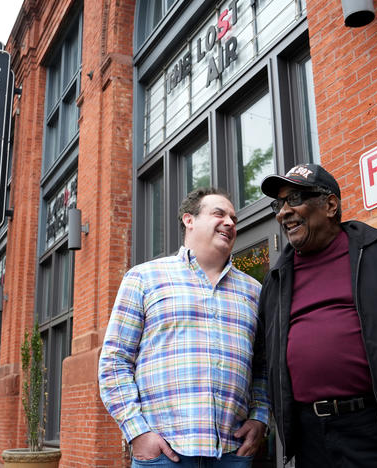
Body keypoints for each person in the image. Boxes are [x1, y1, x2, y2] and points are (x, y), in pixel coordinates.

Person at [258, 163, 377, 467]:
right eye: (279, 204)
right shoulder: (277, 279)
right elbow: (268, 357)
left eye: (294, 198)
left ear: (330, 205)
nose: (283, 212)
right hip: (312, 438)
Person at [99, 187, 270, 468]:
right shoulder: (144, 278)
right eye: (219, 213)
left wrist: (259, 417)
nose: (229, 222)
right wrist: (138, 432)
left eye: (233, 219)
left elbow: (263, 366)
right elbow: (114, 361)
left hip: (232, 453)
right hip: (165, 454)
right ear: (189, 220)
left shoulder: (254, 291)